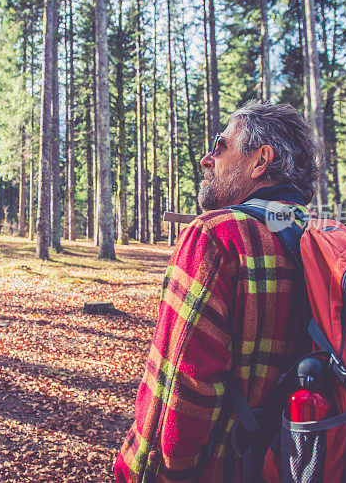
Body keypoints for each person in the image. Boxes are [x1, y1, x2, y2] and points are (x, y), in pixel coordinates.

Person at [114, 102, 320, 482]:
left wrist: (143, 473)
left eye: (221, 146)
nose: (207, 159)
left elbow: (181, 389)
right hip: (300, 464)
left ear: (261, 160)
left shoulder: (216, 236)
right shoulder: (316, 234)